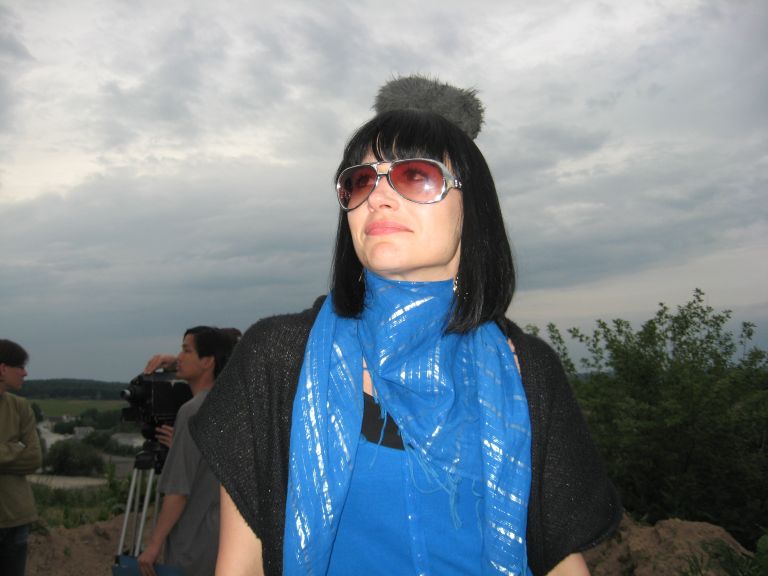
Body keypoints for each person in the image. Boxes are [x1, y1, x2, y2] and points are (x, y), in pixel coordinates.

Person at [190, 76, 622, 575]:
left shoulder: (526, 371)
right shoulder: (280, 358)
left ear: (474, 207)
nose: (377, 197)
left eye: (415, 175)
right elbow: (239, 566)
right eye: (361, 181)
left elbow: (561, 562)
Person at [138, 327, 239, 576]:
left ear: (207, 361)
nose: (179, 357)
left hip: (192, 544)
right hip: (224, 541)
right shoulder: (231, 405)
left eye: (186, 350)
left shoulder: (192, 412)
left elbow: (178, 492)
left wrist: (154, 545)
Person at [0, 339, 42, 576]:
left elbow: (34, 458)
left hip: (16, 518)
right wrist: (14, 448)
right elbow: (25, 453)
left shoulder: (21, 407)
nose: (25, 373)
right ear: (2, 368)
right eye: (20, 366)